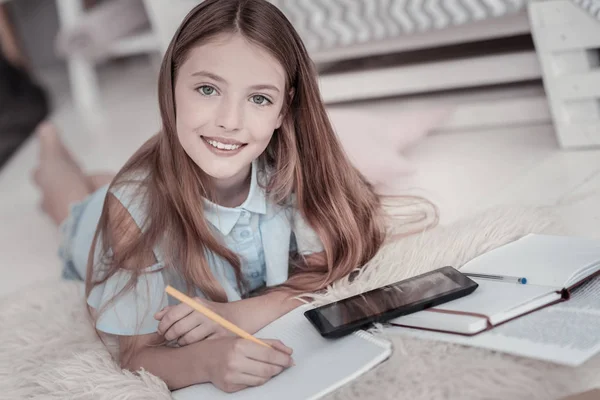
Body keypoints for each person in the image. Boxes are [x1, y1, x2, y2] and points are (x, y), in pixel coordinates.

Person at [33, 0, 436, 393]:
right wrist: (208, 361)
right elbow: (135, 353)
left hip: (158, 177)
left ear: (283, 109)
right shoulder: (129, 212)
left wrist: (236, 315)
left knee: (109, 183)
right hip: (118, 217)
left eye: (259, 98)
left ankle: (91, 175)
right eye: (208, 89)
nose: (229, 121)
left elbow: (325, 272)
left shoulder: (293, 170)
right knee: (71, 208)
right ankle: (50, 151)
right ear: (171, 86)